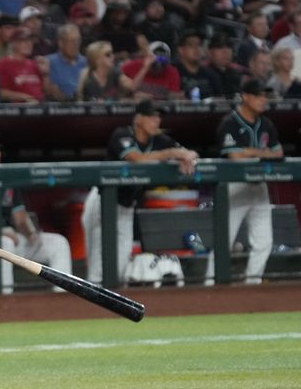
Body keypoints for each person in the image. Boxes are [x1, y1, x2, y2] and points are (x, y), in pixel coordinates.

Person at [81, 99, 198, 284]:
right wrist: (171, 154)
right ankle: (89, 307)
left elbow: (189, 153)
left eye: (158, 117)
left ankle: (112, 304)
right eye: (151, 117)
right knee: (98, 264)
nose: (156, 121)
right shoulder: (121, 134)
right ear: (138, 119)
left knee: (120, 265)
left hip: (127, 206)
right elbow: (135, 158)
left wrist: (186, 157)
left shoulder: (160, 140)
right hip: (103, 202)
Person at [0, 132, 72, 294]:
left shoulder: (6, 178)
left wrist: (31, 234)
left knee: (57, 242)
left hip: (12, 238)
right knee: (4, 242)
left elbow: (20, 217)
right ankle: (4, 296)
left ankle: (62, 295)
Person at [203, 79, 283, 286]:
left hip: (259, 187)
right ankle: (210, 286)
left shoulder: (266, 123)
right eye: (258, 95)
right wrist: (261, 153)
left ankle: (252, 285)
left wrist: (251, 152)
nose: (263, 99)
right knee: (224, 241)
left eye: (265, 95)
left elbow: (279, 152)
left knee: (264, 242)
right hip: (234, 185)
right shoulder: (230, 122)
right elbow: (235, 157)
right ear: (245, 97)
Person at [77, 40, 151, 101]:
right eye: (108, 54)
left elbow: (132, 86)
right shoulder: (88, 79)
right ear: (97, 59)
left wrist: (145, 67)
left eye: (112, 53)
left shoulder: (115, 73)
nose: (113, 56)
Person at [0, 27, 46, 103]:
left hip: (40, 108)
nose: (28, 44)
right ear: (14, 43)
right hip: (19, 110)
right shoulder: (4, 63)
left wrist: (46, 74)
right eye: (23, 40)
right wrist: (25, 97)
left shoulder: (34, 64)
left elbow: (46, 91)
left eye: (30, 40)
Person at [44, 23, 86, 101]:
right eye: (72, 41)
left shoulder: (86, 62)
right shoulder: (49, 62)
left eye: (78, 40)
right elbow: (53, 92)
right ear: (61, 43)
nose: (76, 44)